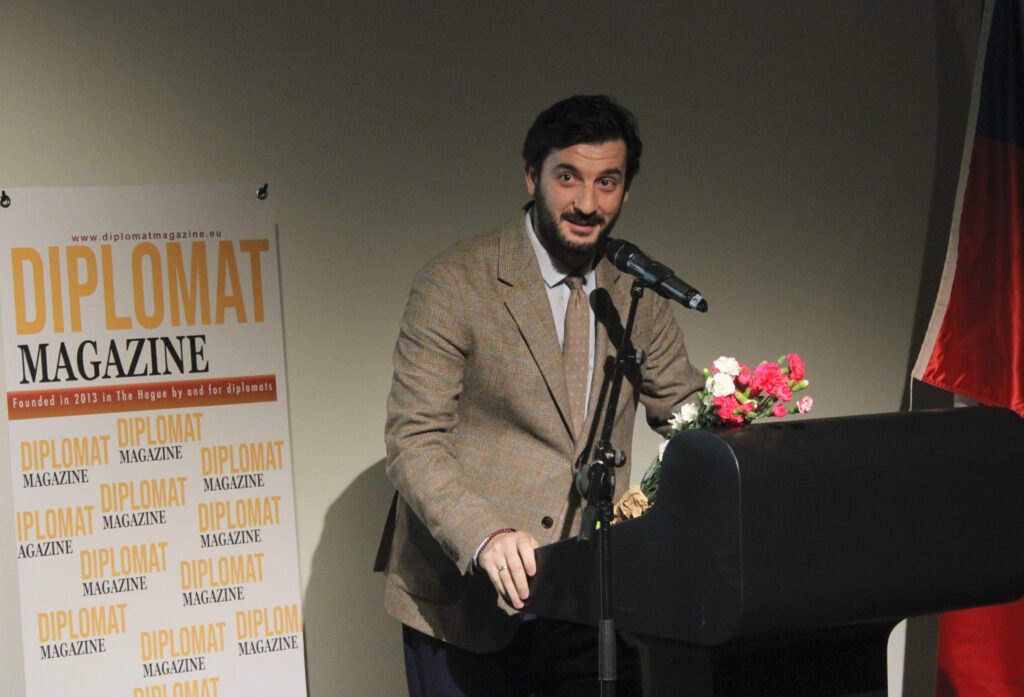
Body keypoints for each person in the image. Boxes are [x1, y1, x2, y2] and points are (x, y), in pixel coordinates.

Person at [377, 95, 704, 696]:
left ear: (626, 190)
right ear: (533, 177)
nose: (587, 203)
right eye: (568, 177)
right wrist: (485, 536)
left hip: (592, 598)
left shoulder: (637, 291)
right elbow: (413, 439)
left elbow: (687, 419)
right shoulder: (454, 282)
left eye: (607, 182)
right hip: (466, 607)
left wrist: (750, 421)